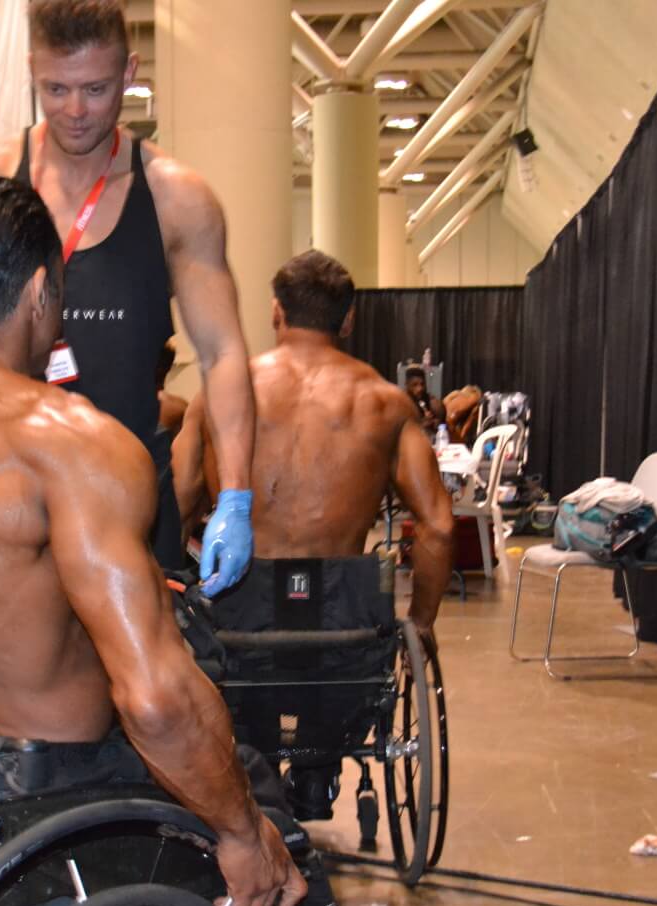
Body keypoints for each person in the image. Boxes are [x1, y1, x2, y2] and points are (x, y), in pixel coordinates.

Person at [0, 173, 306, 906]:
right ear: (41, 293)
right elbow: (153, 700)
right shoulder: (69, 445)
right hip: (54, 803)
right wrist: (245, 833)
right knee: (261, 806)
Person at [0, 0, 255, 595]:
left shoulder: (176, 200)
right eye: (56, 89)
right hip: (1, 507)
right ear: (32, 69)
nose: (76, 111)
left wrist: (234, 495)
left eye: (96, 89)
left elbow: (223, 353)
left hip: (129, 507)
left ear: (129, 73)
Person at [174, 250, 454, 639]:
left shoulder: (219, 396)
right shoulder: (386, 404)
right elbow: (438, 527)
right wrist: (420, 624)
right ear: (348, 320)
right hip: (343, 629)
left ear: (276, 311)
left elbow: (176, 510)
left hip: (238, 627)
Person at [405, 366, 444, 437]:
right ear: (407, 385)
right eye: (415, 385)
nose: (420, 388)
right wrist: (422, 424)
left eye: (422, 384)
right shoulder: (402, 403)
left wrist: (435, 423)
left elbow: (441, 430)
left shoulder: (432, 402)